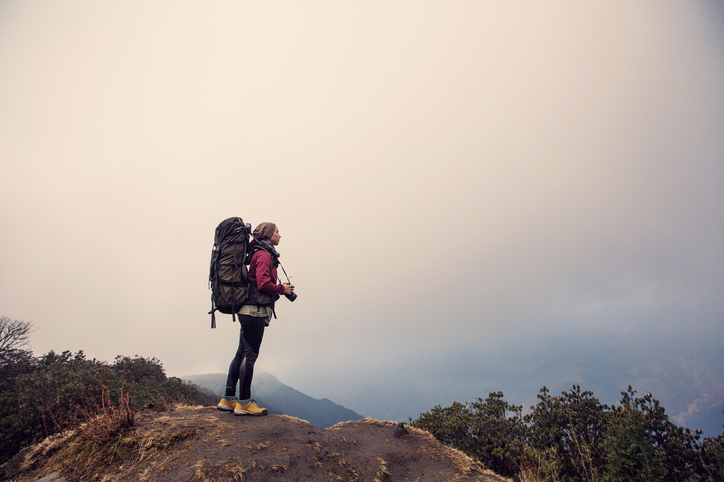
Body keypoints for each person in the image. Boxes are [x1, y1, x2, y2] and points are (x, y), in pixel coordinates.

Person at [217, 222, 294, 416]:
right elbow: (263, 284)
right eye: (277, 231)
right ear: (268, 234)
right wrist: (282, 289)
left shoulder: (258, 252)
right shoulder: (264, 254)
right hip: (255, 311)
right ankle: (244, 402)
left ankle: (228, 399)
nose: (280, 235)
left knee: (240, 354)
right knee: (249, 357)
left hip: (247, 310)